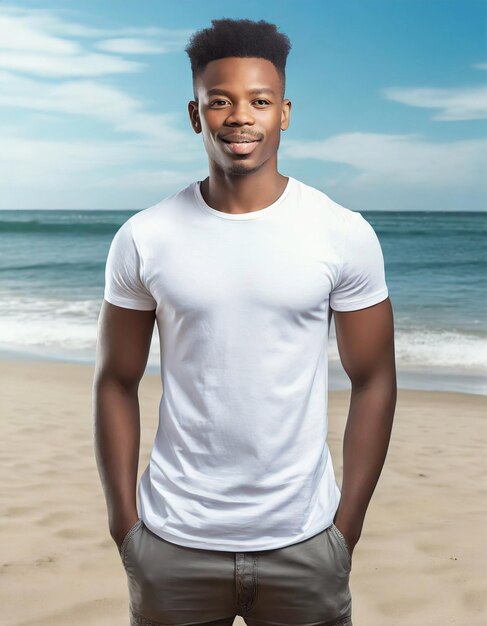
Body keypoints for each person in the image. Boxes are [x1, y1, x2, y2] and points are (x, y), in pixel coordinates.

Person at [93, 17, 397, 626]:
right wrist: (124, 524)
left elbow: (376, 379)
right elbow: (115, 381)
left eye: (259, 101)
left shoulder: (342, 232)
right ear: (194, 113)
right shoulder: (145, 236)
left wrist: (346, 528)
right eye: (220, 101)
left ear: (284, 113)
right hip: (173, 541)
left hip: (306, 541)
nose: (240, 117)